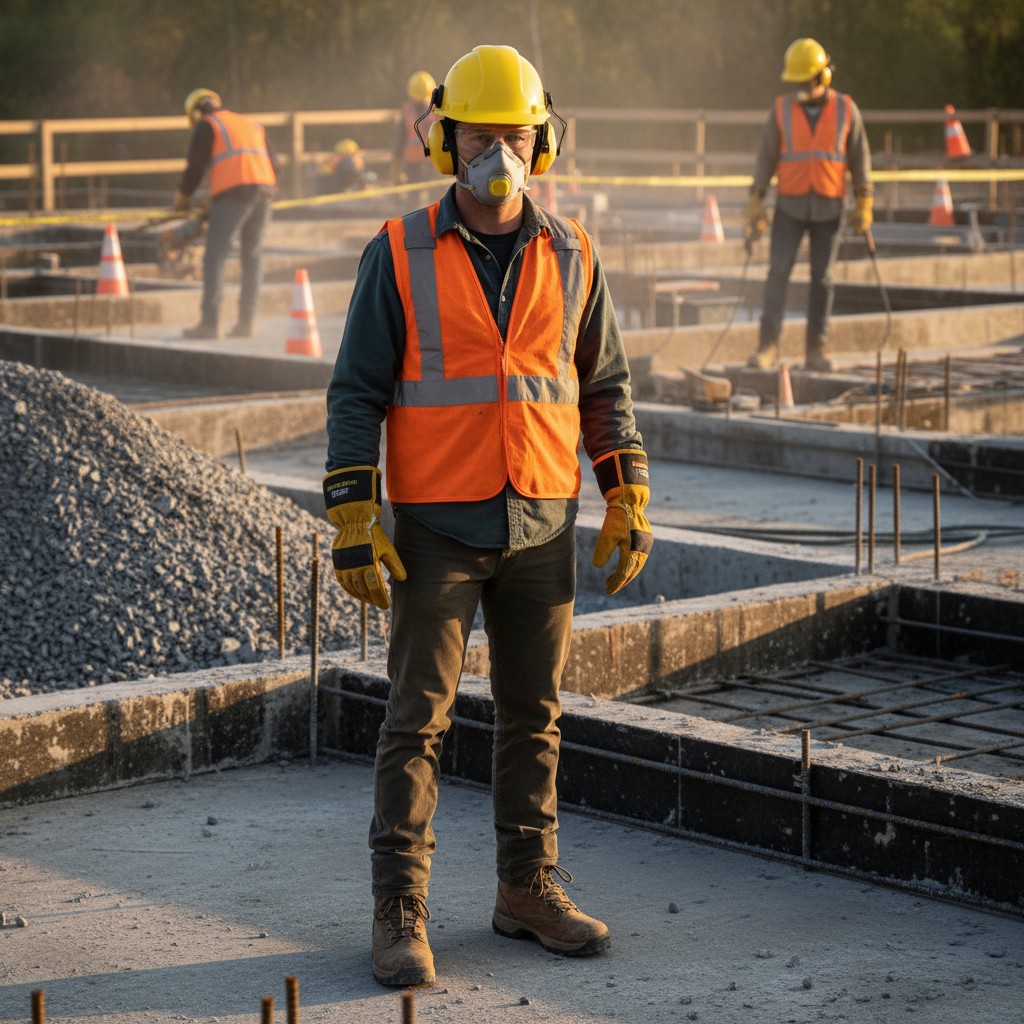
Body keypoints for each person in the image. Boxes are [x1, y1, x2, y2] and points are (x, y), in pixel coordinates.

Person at [323, 44, 653, 987]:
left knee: (534, 716)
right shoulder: (399, 251)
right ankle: (400, 908)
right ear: (446, 139)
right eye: (479, 134)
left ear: (541, 140)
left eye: (514, 134)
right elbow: (357, 392)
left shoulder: (574, 251)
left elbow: (606, 389)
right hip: (435, 526)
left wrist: (625, 491)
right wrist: (354, 509)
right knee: (416, 719)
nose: (496, 152)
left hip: (543, 522)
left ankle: (525, 888)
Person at [745, 38, 873, 372]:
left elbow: (860, 158)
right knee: (777, 274)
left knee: (823, 280)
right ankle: (768, 347)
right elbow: (766, 158)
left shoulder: (846, 109)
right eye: (796, 82)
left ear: (822, 76)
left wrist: (865, 202)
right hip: (790, 204)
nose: (800, 88)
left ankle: (816, 349)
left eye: (806, 81)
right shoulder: (781, 109)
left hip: (830, 206)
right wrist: (756, 200)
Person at [173, 89, 278, 340]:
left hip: (234, 194)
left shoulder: (207, 124)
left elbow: (195, 168)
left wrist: (181, 200)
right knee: (252, 257)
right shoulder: (250, 124)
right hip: (264, 191)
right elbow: (277, 165)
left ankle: (210, 324)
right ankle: (246, 323)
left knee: (215, 256)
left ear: (196, 112)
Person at [392, 71, 440, 184]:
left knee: (430, 192)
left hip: (431, 162)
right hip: (418, 162)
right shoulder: (436, 110)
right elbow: (400, 137)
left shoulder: (438, 110)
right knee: (418, 193)